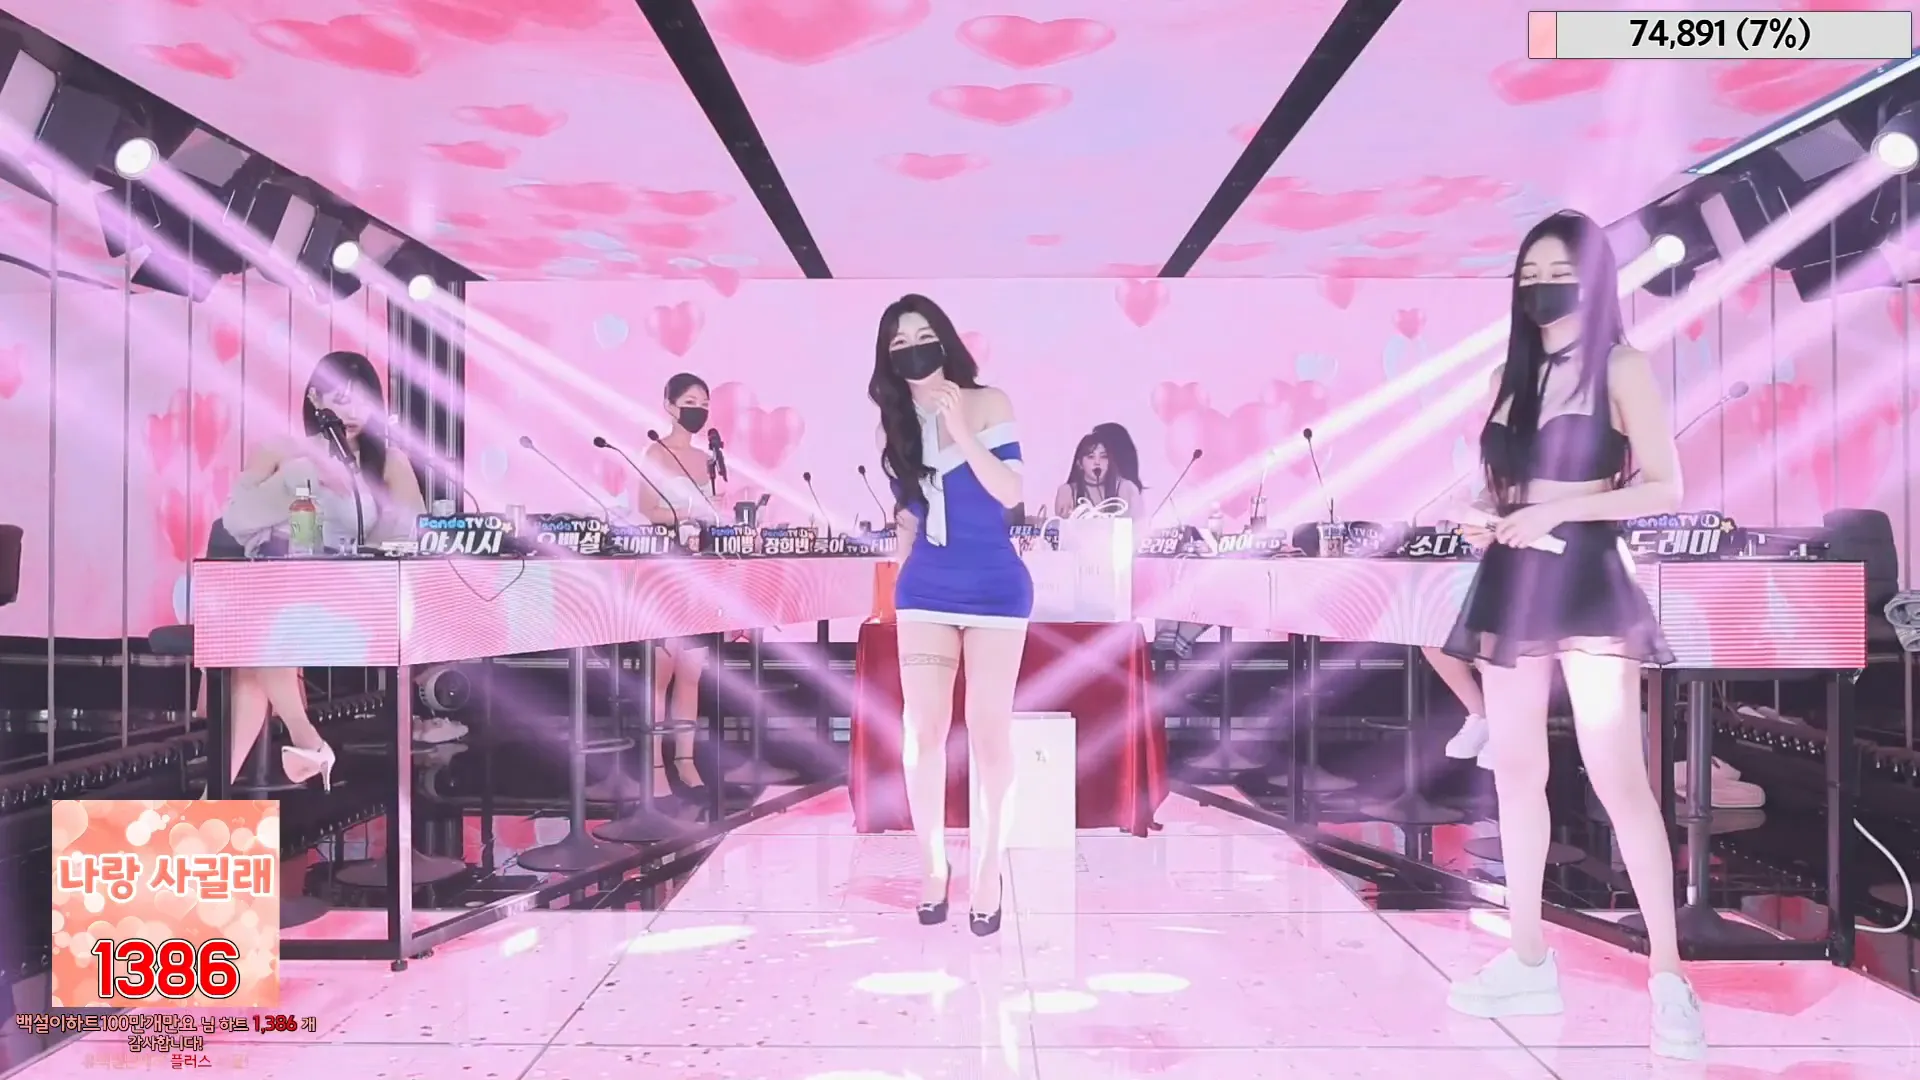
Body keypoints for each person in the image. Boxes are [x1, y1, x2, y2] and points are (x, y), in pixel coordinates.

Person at [1440, 210, 1703, 1059]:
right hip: (1515, 575)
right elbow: (1502, 487)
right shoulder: (1506, 376)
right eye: (1529, 274)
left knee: (1617, 773)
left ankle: (1670, 977)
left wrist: (1559, 511)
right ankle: (1526, 957)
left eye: (1558, 272)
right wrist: (1483, 512)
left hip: (1587, 574)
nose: (1541, 287)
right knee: (1518, 771)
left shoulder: (1622, 365)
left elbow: (1664, 486)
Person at [871, 294, 1030, 937]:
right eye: (899, 342)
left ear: (944, 340)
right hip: (926, 588)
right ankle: (933, 867)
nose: (914, 349)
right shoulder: (894, 425)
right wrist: (895, 551)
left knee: (990, 731)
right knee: (922, 731)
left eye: (923, 335)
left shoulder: (988, 402)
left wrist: (957, 425)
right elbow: (912, 513)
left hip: (994, 586)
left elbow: (1011, 491)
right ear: (888, 358)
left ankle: (988, 871)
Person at [218, 350, 427, 790]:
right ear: (314, 399)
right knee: (253, 662)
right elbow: (237, 520)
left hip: (348, 593)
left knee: (258, 643)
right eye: (338, 398)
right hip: (278, 583)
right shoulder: (282, 450)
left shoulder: (388, 462)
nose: (351, 412)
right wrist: (299, 475)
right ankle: (221, 793)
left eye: (362, 400)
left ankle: (303, 743)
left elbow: (411, 535)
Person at [631, 372, 727, 807]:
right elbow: (646, 509)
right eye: (690, 402)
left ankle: (686, 761)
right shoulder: (655, 452)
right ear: (670, 406)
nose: (698, 410)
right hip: (665, 567)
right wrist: (687, 513)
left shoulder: (707, 458)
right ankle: (653, 766)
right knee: (662, 672)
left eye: (704, 403)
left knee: (692, 671)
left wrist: (714, 513)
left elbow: (715, 510)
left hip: (699, 569)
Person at [1053, 424, 1145, 518]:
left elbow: (1139, 525)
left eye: (1103, 456)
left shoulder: (1127, 488)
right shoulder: (1067, 492)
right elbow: (1062, 524)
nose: (1097, 462)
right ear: (1079, 463)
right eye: (1091, 457)